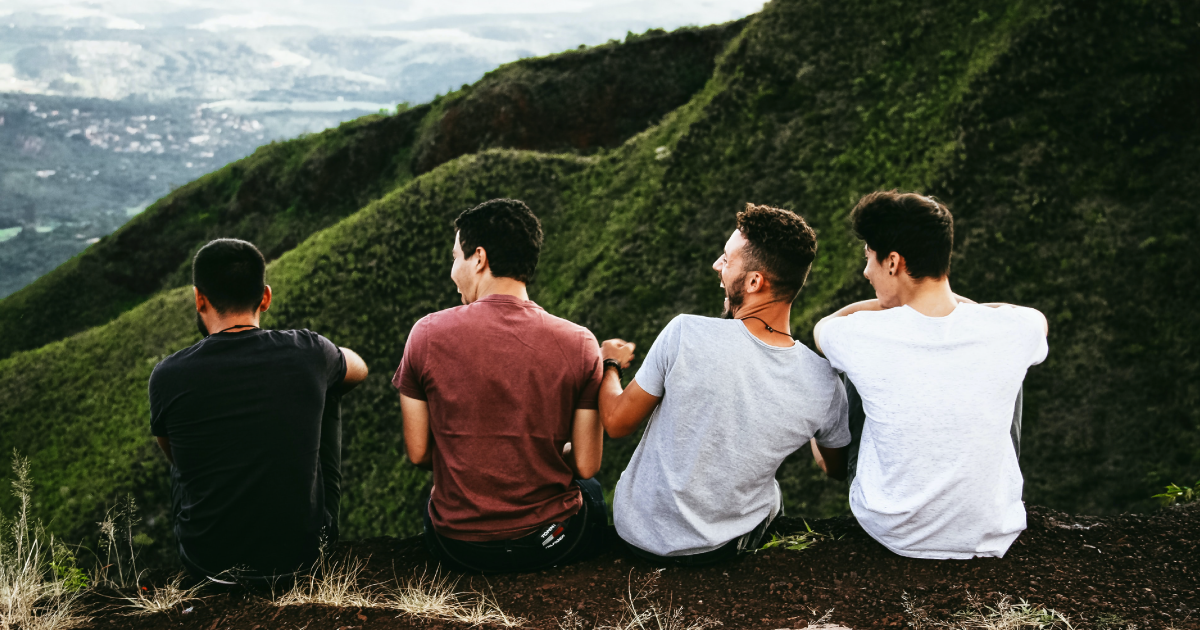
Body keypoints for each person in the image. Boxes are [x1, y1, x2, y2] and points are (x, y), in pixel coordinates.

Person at [598, 203, 851, 566]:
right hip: (722, 549)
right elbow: (835, 469)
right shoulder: (824, 382)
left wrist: (610, 364)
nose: (717, 265)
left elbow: (616, 422)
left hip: (637, 536)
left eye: (727, 259)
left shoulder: (685, 332)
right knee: (772, 494)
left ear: (754, 282)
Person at [813, 190, 1048, 560]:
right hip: (989, 531)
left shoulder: (859, 333)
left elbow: (825, 328)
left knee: (850, 370)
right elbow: (1033, 319)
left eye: (869, 259)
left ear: (893, 262)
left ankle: (836, 468)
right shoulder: (1014, 330)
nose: (865, 272)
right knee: (1008, 365)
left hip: (893, 529)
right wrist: (960, 308)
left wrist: (886, 306)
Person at [393, 198, 608, 573]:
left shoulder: (426, 334)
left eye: (455, 257)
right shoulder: (581, 343)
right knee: (591, 492)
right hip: (549, 543)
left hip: (458, 547)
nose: (452, 271)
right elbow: (587, 464)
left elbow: (419, 453)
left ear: (479, 258)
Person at [149, 238, 369, 584]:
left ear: (199, 298)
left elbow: (177, 459)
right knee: (331, 386)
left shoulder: (167, 375)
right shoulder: (309, 351)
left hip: (207, 562)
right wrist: (321, 361)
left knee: (184, 444)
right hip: (302, 556)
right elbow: (360, 368)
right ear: (265, 297)